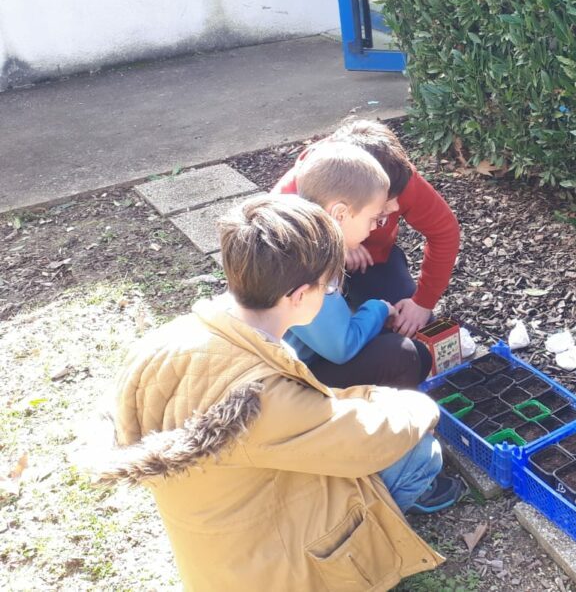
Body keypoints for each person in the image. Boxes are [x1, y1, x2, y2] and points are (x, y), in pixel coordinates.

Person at [101, 194, 466, 591]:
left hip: (217, 549)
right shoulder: (259, 401)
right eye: (332, 287)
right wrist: (417, 404)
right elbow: (371, 437)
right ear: (298, 296)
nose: (334, 295)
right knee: (419, 454)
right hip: (270, 569)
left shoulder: (164, 342)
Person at [275, 118, 460, 339]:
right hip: (310, 273)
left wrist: (423, 302)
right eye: (382, 208)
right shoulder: (288, 198)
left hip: (372, 263)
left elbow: (445, 231)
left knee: (411, 329)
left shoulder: (398, 176)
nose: (395, 208)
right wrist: (339, 240)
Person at [285, 141, 435, 389]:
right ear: (340, 214)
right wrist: (378, 309)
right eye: (374, 218)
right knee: (407, 355)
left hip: (291, 364)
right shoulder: (310, 264)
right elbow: (342, 347)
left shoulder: (303, 239)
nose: (377, 227)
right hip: (287, 382)